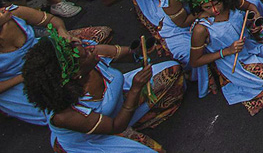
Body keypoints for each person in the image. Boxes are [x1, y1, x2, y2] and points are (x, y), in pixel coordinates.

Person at [21, 28, 184, 151]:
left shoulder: (89, 54)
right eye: (86, 54)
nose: (91, 49)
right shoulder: (64, 116)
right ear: (76, 74)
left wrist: (140, 51)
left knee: (173, 72)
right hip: (98, 136)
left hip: (121, 104)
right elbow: (115, 126)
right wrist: (135, 89)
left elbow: (129, 54)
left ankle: (134, 127)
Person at [185, 0, 263, 115]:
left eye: (217, 3)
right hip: (234, 61)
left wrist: (256, 19)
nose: (214, 10)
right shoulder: (201, 29)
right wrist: (226, 51)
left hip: (252, 45)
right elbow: (195, 61)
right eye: (207, 7)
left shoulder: (231, 3)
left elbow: (251, 6)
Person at [0, 4, 109, 126]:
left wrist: (62, 32)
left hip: (45, 55)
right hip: (15, 80)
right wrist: (25, 76)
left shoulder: (14, 13)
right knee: (61, 107)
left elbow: (52, 20)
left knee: (90, 61)